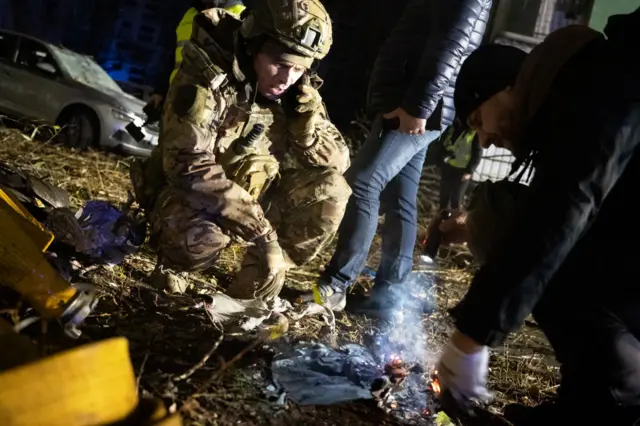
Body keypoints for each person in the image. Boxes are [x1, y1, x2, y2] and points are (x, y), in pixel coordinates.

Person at [432, 9, 640, 425]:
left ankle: (614, 398)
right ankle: (593, 395)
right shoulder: (581, 87)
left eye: (477, 120)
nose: (485, 139)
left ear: (509, 86)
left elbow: (565, 205)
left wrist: (471, 336)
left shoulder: (602, 82)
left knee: (526, 234)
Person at [130, 0, 351, 299]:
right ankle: (174, 268)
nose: (287, 78)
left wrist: (308, 132)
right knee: (197, 239)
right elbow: (188, 168)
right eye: (281, 64)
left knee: (333, 190)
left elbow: (340, 162)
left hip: (254, 195)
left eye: (300, 69)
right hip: (193, 199)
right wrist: (263, 233)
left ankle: (262, 276)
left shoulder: (296, 89)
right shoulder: (206, 77)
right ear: (253, 43)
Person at [299, 0, 493, 311]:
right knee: (400, 194)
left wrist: (419, 106)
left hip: (416, 103)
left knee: (362, 183)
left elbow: (451, 44)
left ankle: (337, 284)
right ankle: (388, 298)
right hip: (414, 100)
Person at [145, 0, 247, 117]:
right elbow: (173, 56)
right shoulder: (189, 12)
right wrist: (161, 91)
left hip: (209, 112)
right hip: (175, 101)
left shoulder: (242, 15)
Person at [438, 119, 481, 210]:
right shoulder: (453, 128)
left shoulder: (474, 134)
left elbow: (477, 154)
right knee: (444, 197)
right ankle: (441, 220)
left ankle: (453, 221)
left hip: (462, 171)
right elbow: (444, 144)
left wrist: (469, 171)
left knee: (456, 199)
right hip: (448, 166)